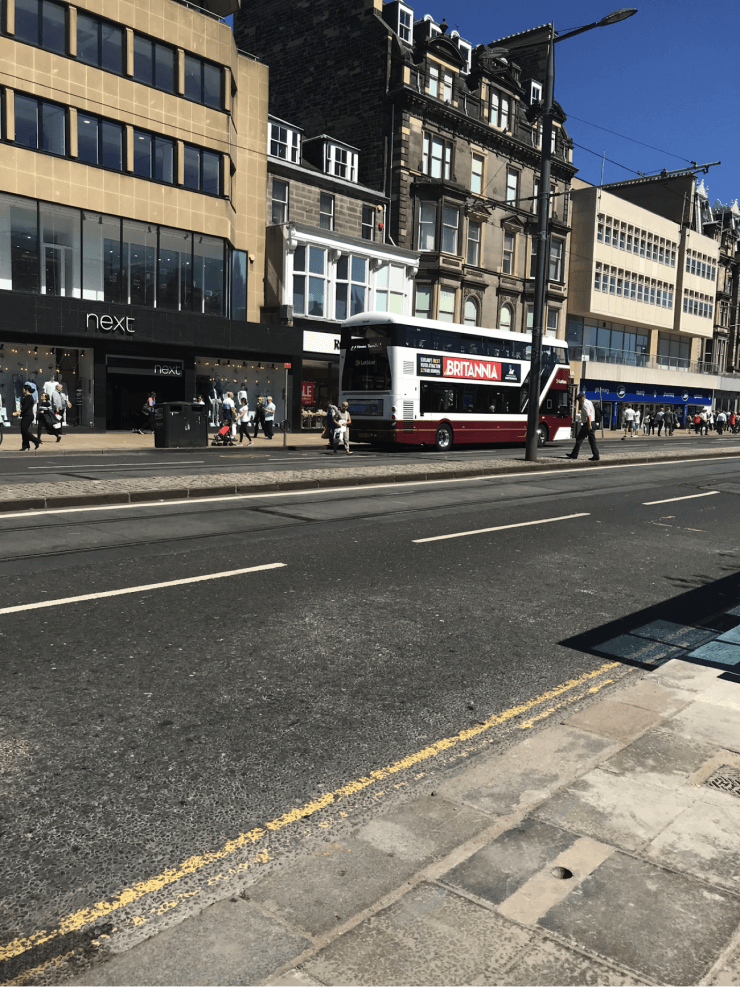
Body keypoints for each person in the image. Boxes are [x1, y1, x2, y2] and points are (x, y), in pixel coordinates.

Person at [565, 392, 600, 461]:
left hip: (588, 423)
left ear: (582, 398)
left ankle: (575, 455)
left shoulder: (584, 404)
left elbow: (588, 415)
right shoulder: (589, 402)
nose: (579, 401)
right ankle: (595, 455)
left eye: (578, 400)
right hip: (592, 422)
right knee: (591, 440)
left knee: (579, 438)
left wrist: (589, 425)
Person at [12, 384, 40, 450]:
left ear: (26, 390)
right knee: (23, 431)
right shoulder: (27, 397)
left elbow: (25, 407)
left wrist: (17, 412)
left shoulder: (28, 397)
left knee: (24, 430)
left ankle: (36, 440)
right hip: (26, 415)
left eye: (23, 389)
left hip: (28, 416)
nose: (22, 390)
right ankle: (25, 445)